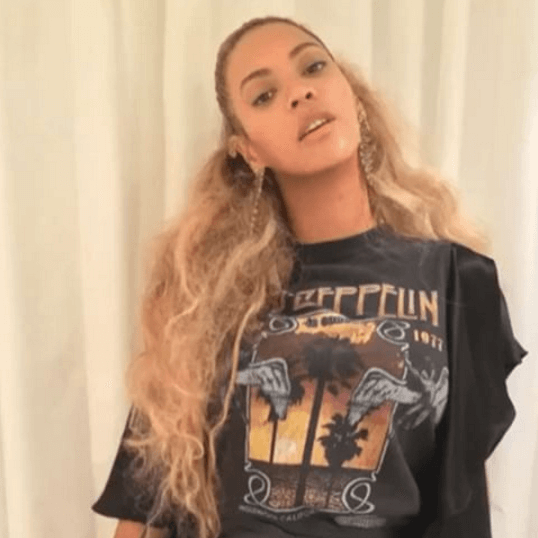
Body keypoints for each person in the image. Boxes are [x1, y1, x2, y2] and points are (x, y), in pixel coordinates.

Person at [92, 15, 528, 538]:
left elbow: (463, 504)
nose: (299, 93)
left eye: (313, 67)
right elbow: (145, 512)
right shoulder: (202, 299)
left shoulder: (456, 282)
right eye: (264, 95)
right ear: (247, 149)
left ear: (352, 94)